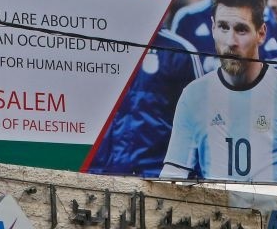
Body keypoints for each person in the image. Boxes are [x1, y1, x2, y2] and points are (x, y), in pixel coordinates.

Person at [159, 0, 277, 184]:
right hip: (215, 215)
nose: (231, 42)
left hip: (272, 214)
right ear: (213, 28)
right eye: (223, 27)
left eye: (241, 30)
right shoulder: (193, 96)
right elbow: (173, 176)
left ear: (261, 33)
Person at [85, 28, 203, 177]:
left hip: (154, 179)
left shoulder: (179, 51)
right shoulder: (88, 43)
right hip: (97, 175)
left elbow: (201, 126)